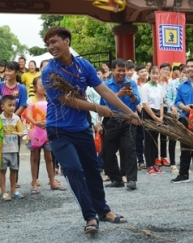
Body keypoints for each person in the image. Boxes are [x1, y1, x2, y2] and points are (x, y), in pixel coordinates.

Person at [42, 26, 139, 234]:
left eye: (54, 42)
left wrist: (129, 112)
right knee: (74, 170)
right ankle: (90, 216)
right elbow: (66, 100)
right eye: (48, 44)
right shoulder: (49, 72)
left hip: (81, 128)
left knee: (93, 171)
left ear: (67, 41)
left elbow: (104, 90)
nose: (51, 47)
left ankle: (103, 211)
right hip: (59, 130)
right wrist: (97, 107)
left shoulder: (83, 66)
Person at [99, 59, 140, 190]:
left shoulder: (131, 83)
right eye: (119, 70)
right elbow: (103, 105)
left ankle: (131, 179)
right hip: (112, 121)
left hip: (128, 121)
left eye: (124, 70)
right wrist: (118, 95)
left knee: (130, 149)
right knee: (109, 152)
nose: (122, 73)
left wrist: (132, 95)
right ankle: (116, 179)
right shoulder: (106, 85)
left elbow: (136, 102)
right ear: (113, 70)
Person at [27, 77, 64, 193]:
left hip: (47, 132)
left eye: (45, 85)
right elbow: (28, 115)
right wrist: (35, 122)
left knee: (49, 157)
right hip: (35, 132)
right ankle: (34, 183)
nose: (43, 87)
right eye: (40, 85)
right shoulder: (31, 100)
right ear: (34, 87)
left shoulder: (50, 99)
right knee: (34, 158)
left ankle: (52, 181)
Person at [0, 95, 26, 201]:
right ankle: (4, 192)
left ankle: (13, 190)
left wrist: (22, 134)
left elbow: (22, 132)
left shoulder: (16, 118)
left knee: (14, 170)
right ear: (2, 107)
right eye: (9, 105)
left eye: (14, 105)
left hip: (14, 149)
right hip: (3, 150)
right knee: (3, 171)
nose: (12, 107)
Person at [140, 65, 164, 176]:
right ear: (149, 74)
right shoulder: (145, 87)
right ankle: (149, 165)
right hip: (148, 114)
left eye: (156, 73)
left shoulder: (160, 87)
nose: (155, 75)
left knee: (155, 140)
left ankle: (155, 163)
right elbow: (144, 104)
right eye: (153, 73)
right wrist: (154, 117)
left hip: (158, 114)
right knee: (148, 140)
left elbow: (161, 103)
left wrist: (161, 117)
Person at [157, 62, 175, 167]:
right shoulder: (155, 82)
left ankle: (163, 157)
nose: (165, 71)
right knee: (155, 134)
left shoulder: (171, 83)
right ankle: (156, 158)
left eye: (167, 70)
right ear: (160, 71)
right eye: (163, 69)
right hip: (157, 109)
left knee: (165, 134)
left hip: (167, 109)